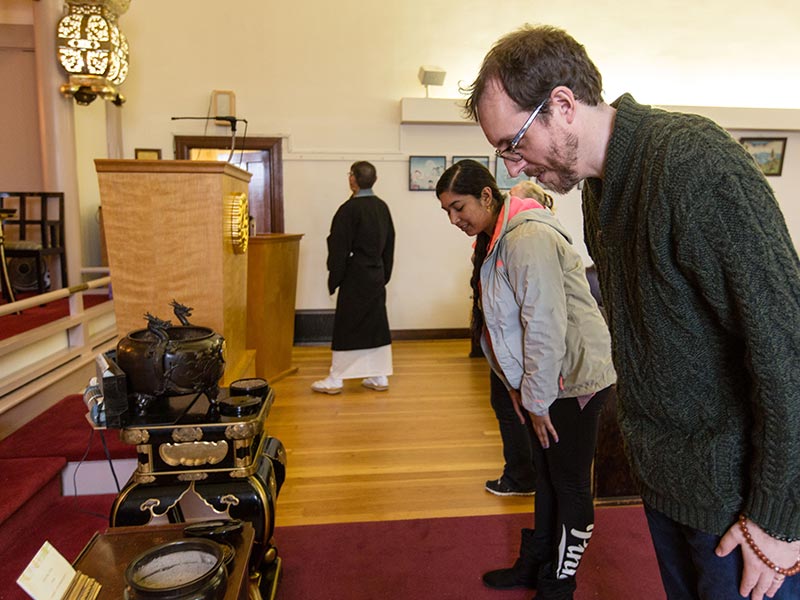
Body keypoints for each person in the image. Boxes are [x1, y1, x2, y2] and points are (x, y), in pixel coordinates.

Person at [465, 24, 800, 600]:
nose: (514, 170)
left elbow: (787, 348)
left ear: (563, 105)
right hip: (671, 486)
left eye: (513, 144)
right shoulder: (599, 189)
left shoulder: (693, 166)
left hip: (739, 507)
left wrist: (781, 515)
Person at [436, 159, 616, 599]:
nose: (454, 220)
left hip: (573, 379)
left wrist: (536, 401)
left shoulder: (528, 238)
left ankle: (560, 584)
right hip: (545, 377)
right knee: (546, 473)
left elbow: (544, 325)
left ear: (485, 195)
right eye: (447, 212)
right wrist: (519, 389)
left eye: (459, 208)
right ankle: (538, 561)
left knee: (568, 480)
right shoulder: (497, 237)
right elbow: (504, 326)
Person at [483, 179, 552, 497]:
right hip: (508, 346)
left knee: (518, 409)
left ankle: (522, 475)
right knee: (509, 405)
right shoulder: (512, 237)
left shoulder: (527, 238)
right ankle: (525, 473)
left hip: (520, 348)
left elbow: (538, 316)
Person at [311, 161, 395, 394]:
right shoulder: (382, 207)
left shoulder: (348, 210)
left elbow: (338, 247)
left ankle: (336, 378)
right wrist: (384, 273)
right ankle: (379, 375)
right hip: (376, 274)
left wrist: (335, 277)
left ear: (353, 180)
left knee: (347, 326)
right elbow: (390, 244)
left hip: (355, 275)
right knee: (375, 324)